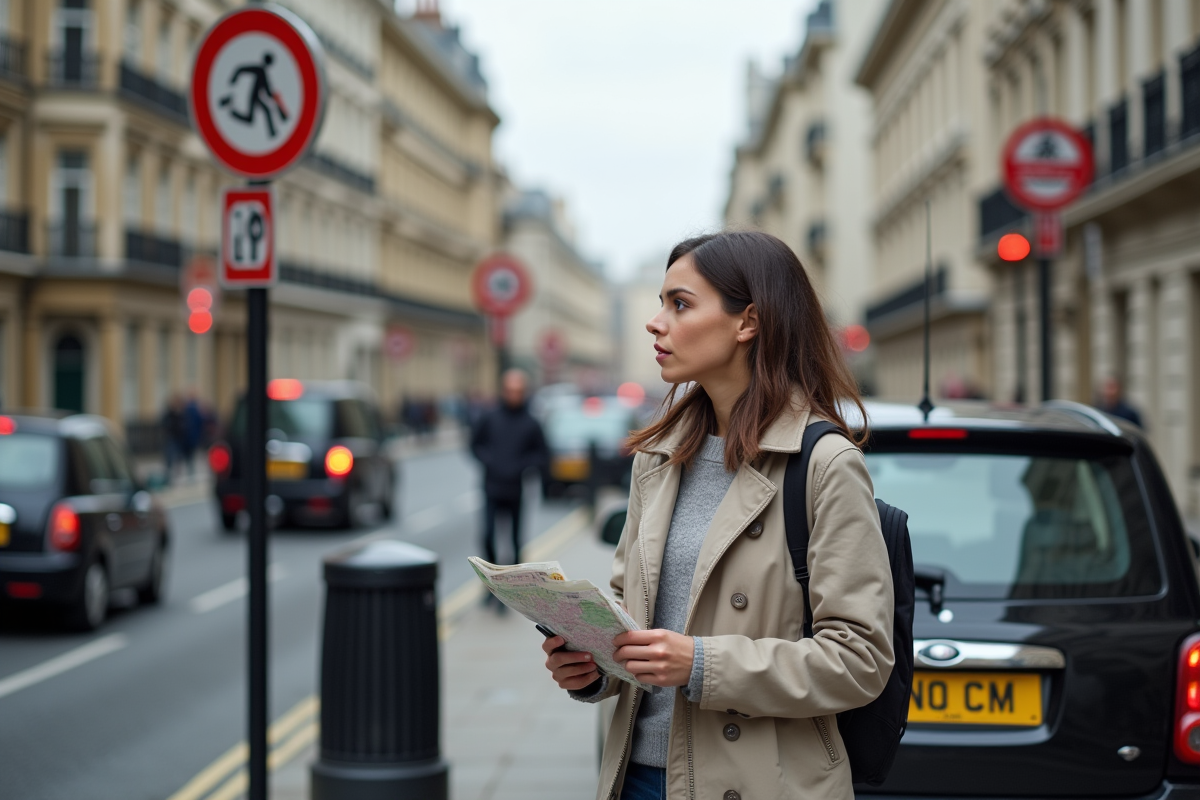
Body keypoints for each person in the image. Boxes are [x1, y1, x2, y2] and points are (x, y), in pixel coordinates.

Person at [542, 232, 894, 800]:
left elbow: (859, 658)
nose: (656, 323)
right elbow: (628, 617)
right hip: (636, 776)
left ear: (747, 322)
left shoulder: (823, 463)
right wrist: (593, 667)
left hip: (756, 784)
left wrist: (702, 664)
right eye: (659, 303)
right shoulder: (658, 458)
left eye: (679, 304)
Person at [470, 369, 549, 569]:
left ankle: (514, 582)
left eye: (518, 391)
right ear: (503, 391)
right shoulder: (489, 418)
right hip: (492, 486)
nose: (514, 395)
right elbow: (474, 444)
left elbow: (541, 454)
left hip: (516, 488)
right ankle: (491, 582)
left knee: (515, 540)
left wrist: (522, 466)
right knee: (488, 536)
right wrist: (489, 461)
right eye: (510, 390)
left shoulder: (531, 423)